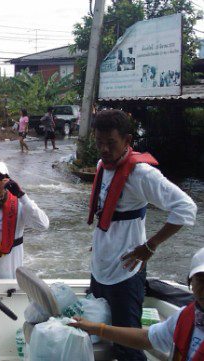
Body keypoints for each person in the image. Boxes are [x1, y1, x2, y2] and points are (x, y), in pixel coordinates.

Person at [86, 109, 197, 360]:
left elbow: (186, 208)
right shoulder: (102, 166)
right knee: (99, 335)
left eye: (110, 143)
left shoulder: (142, 174)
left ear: (127, 141)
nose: (103, 149)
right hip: (100, 268)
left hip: (125, 273)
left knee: (128, 345)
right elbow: (109, 216)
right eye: (99, 143)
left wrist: (151, 245)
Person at [72, 247, 204, 361]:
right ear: (190, 282)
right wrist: (96, 328)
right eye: (201, 279)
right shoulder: (186, 317)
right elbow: (147, 338)